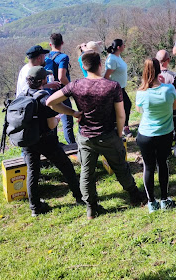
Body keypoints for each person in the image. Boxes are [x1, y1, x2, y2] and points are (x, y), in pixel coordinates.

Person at [46, 51, 143, 219]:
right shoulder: (112, 86)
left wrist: (73, 113)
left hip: (86, 137)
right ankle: (134, 196)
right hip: (108, 135)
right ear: (100, 65)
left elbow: (50, 102)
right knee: (120, 167)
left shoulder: (76, 85)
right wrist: (119, 133)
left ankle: (91, 208)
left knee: (86, 172)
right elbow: (121, 115)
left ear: (83, 66)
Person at [20, 66, 83, 216]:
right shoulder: (44, 98)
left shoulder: (23, 94)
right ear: (43, 80)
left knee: (33, 172)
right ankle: (80, 197)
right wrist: (57, 119)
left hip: (28, 140)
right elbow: (51, 125)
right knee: (66, 167)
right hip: (45, 140)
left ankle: (35, 208)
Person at [135, 58, 176, 212]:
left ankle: (152, 203)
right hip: (164, 134)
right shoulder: (169, 89)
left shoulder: (141, 93)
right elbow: (175, 107)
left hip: (145, 135)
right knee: (162, 164)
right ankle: (165, 199)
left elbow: (139, 110)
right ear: (159, 70)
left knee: (148, 166)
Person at [45, 33, 75, 144]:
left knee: (52, 121)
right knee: (67, 121)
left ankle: (54, 146)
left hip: (48, 93)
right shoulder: (63, 57)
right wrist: (71, 87)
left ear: (50, 44)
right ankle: (72, 147)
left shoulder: (45, 57)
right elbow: (62, 77)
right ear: (62, 43)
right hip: (61, 93)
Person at [104, 39, 132, 138]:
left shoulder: (117, 56)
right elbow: (106, 76)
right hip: (115, 89)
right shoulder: (112, 59)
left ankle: (121, 127)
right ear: (119, 47)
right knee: (126, 106)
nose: (125, 46)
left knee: (125, 106)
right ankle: (122, 128)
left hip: (121, 88)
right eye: (123, 45)